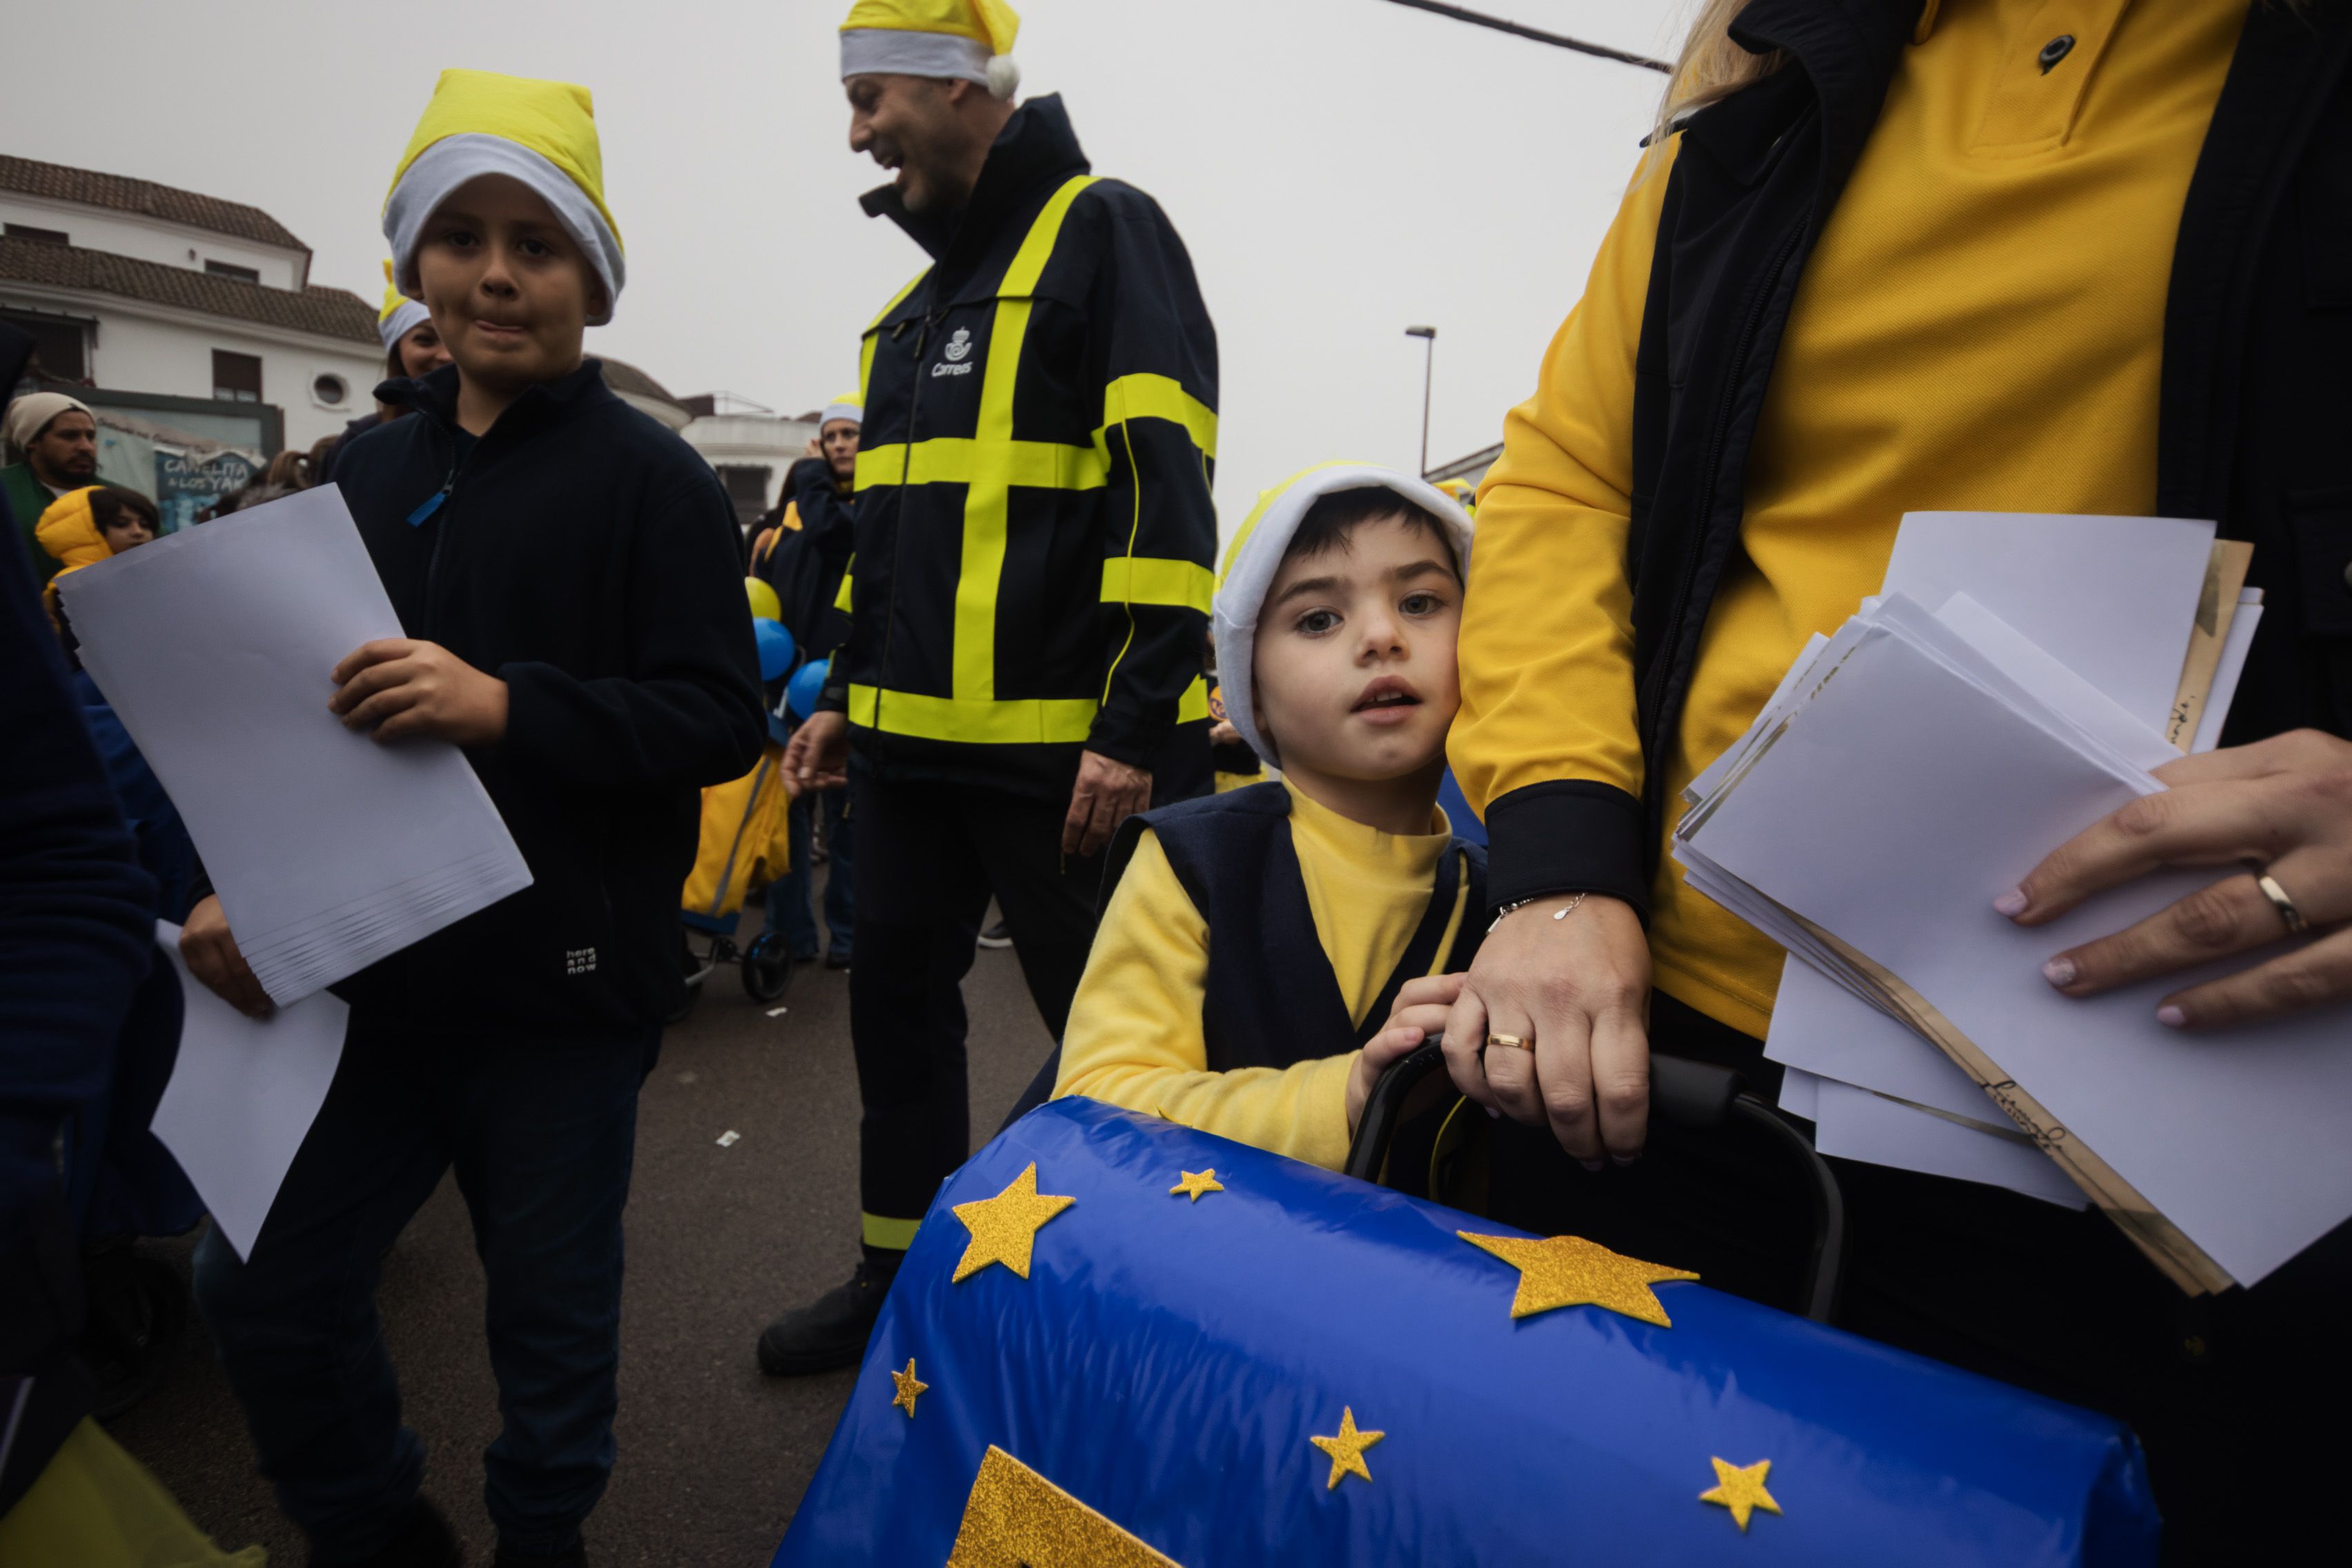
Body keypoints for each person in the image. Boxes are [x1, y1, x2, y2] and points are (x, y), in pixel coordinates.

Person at [1442, 0, 2352, 1549]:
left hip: (2176, 1146)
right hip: (1659, 1071)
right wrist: (1560, 868)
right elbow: (1570, 477)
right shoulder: (1773, 84)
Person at [178, 68, 763, 1568]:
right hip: (368, 981)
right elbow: (279, 722)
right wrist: (232, 883)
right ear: (413, 261)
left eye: (539, 241)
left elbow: (716, 718)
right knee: (258, 1286)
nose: (498, 272)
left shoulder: (656, 480)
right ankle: (376, 1530)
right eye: (463, 235)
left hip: (564, 1002)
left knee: (548, 1332)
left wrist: (510, 705)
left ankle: (540, 1541)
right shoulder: (365, 468)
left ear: (593, 277)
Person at [758, 0, 1219, 1375]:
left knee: (1128, 1050)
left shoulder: (1105, 228)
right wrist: (842, 688)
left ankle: (1124, 1309)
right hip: (907, 765)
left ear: (968, 91)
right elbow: (892, 549)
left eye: (873, 98)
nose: (855, 133)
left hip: (1069, 765)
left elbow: (1166, 485)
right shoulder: (904, 319)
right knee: (897, 1030)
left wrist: (1134, 725)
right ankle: (899, 1277)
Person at [1052, 468, 1484, 1171]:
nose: (1381, 636)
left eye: (1420, 600)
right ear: (1248, 685)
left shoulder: (1522, 908)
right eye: (1319, 618)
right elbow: (1095, 1103)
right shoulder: (1191, 862)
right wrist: (1343, 1097)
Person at [752, 393, 861, 968]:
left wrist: (813, 472)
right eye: (833, 435)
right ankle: (790, 935)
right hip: (786, 689)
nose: (841, 444)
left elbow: (831, 531)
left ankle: (848, 938)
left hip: (847, 692)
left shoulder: (872, 507)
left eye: (852, 434)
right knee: (786, 815)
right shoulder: (779, 527)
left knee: (848, 823)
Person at [315, 261, 455, 489]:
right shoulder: (359, 444)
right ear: (397, 352)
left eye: (454, 338)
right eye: (425, 340)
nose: (446, 355)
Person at [3, 392, 97, 583]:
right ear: (33, 441)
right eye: (70, 436)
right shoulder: (5, 490)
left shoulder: (116, 495)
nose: (85, 446)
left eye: (90, 436)